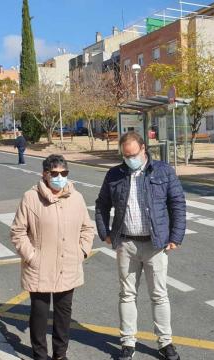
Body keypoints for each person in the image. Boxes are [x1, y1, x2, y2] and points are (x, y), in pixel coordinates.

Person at [95, 131, 187, 360]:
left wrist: (176, 236)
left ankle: (165, 343)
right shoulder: (115, 174)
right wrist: (104, 232)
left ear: (143, 149)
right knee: (127, 294)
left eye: (133, 155)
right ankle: (128, 342)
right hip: (126, 243)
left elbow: (177, 203)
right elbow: (101, 204)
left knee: (159, 295)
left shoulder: (163, 171)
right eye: (125, 156)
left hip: (155, 244)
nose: (129, 159)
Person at [11, 154, 95, 360]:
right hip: (39, 266)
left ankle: (60, 354)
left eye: (64, 173)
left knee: (63, 314)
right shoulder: (31, 198)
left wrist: (82, 251)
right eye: (55, 173)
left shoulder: (77, 197)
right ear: (45, 174)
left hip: (68, 265)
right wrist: (32, 256)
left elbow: (87, 227)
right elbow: (18, 231)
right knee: (39, 314)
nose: (60, 177)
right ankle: (39, 354)